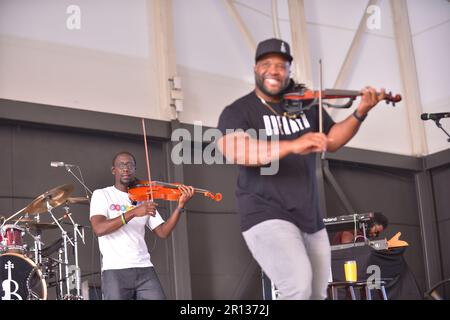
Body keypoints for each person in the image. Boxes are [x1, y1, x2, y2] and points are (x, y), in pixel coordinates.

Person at [217, 38, 387, 299]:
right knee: (296, 286)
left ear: (288, 71)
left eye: (281, 65)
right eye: (267, 64)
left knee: (316, 294)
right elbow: (238, 151)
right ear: (255, 69)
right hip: (265, 212)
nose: (274, 70)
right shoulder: (239, 110)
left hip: (310, 217)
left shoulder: (305, 107)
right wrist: (293, 145)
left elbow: (332, 140)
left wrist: (360, 112)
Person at [90, 151, 194, 300]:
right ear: (114, 170)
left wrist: (180, 207)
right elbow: (99, 229)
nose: (126, 168)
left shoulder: (143, 198)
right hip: (115, 270)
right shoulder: (102, 194)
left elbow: (163, 232)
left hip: (144, 268)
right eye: (121, 165)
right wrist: (133, 212)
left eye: (130, 165)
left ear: (134, 170)